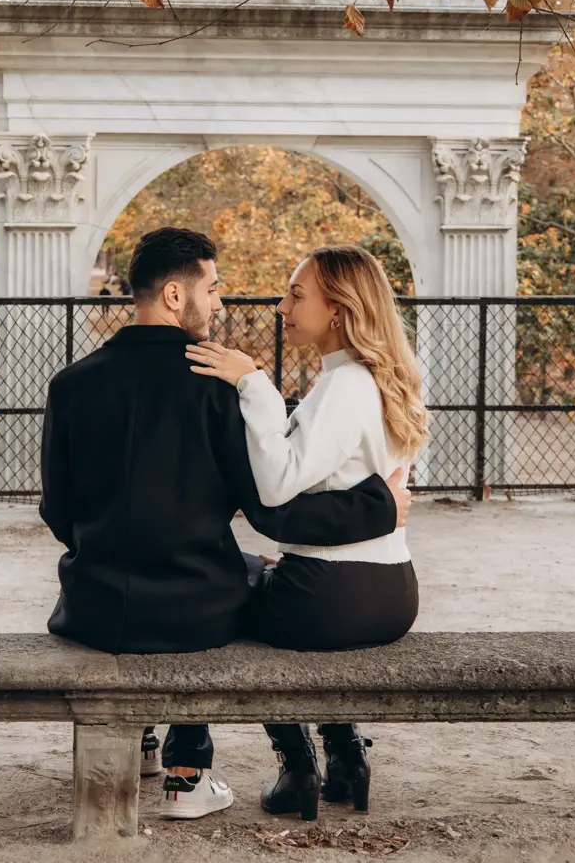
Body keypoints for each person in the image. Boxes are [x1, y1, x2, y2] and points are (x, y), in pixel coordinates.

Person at [40, 228, 412, 821]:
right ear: (172, 295)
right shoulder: (217, 389)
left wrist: (108, 547)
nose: (220, 303)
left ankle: (139, 741)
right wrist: (381, 508)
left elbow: (56, 509)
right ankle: (188, 772)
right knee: (238, 582)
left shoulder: (69, 384)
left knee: (233, 573)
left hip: (95, 603)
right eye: (212, 289)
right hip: (194, 604)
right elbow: (270, 509)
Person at [186, 244, 429, 820]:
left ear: (340, 309)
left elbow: (277, 483)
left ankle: (297, 766)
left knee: (225, 602)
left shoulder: (346, 387)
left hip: (331, 596)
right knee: (258, 573)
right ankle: (346, 758)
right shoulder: (374, 380)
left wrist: (254, 384)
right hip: (392, 589)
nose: (281, 306)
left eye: (297, 295)